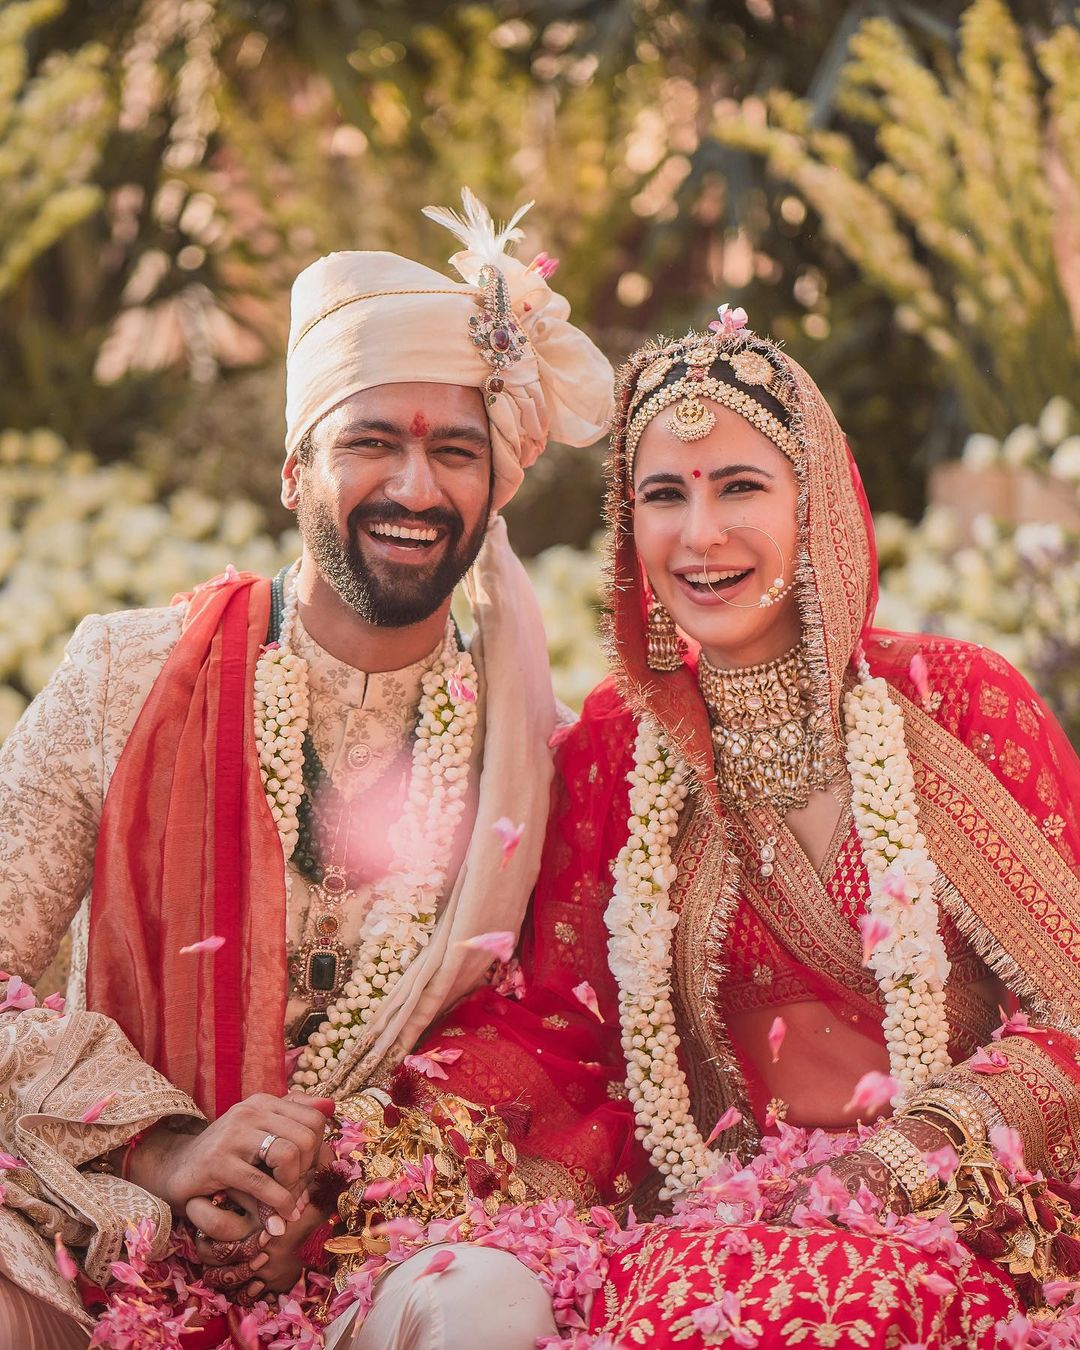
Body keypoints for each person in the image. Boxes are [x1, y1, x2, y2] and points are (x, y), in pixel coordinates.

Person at [393, 308, 1080, 1344]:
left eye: (741, 487)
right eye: (664, 495)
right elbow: (564, 1024)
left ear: (820, 510)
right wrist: (395, 1149)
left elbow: (1072, 1005)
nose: (699, 535)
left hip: (970, 1215)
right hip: (715, 1224)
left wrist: (904, 1163)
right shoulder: (619, 753)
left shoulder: (957, 705)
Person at [0, 189, 612, 1347]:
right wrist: (164, 1145)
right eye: (371, 441)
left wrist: (340, 1183)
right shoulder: (123, 675)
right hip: (105, 1214)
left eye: (454, 452)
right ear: (294, 472)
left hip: (369, 1247)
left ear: (497, 488)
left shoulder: (532, 760)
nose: (416, 489)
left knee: (487, 1304)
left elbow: (552, 1053)